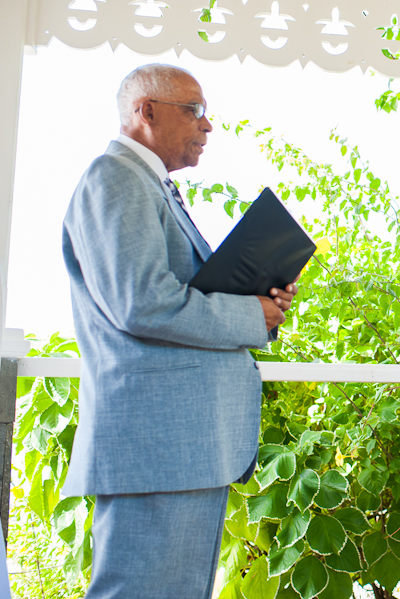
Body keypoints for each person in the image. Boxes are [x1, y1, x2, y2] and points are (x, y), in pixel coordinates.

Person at [61, 64, 296, 599]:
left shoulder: (151, 185)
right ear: (145, 112)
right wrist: (246, 316)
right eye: (193, 110)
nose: (207, 125)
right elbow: (141, 301)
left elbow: (174, 291)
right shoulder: (115, 177)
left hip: (181, 449)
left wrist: (261, 303)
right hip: (157, 448)